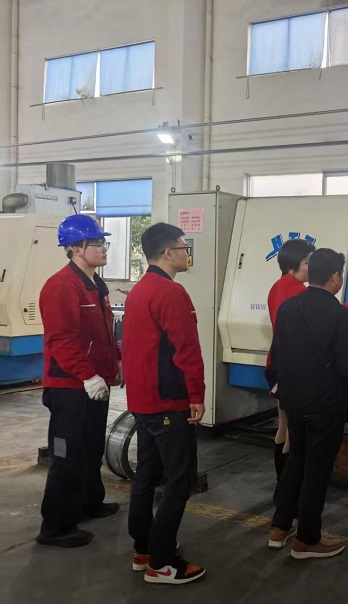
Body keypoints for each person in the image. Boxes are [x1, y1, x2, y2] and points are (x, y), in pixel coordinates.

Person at [122, 222, 206, 585]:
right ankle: (162, 562)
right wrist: (196, 395)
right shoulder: (171, 292)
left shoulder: (139, 290)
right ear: (168, 252)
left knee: (147, 474)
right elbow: (186, 349)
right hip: (168, 401)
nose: (188, 254)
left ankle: (143, 548)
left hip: (143, 400)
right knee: (179, 481)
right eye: (185, 248)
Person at [269, 248, 348, 559]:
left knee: (295, 460)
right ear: (336, 277)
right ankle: (307, 540)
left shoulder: (288, 308)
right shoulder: (340, 315)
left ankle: (280, 527)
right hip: (325, 405)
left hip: (294, 401)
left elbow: (278, 356)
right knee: (317, 471)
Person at [36, 215, 122, 548]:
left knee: (90, 448)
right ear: (75, 248)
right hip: (69, 388)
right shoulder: (60, 286)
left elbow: (102, 334)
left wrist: (115, 364)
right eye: (96, 243)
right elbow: (62, 341)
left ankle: (88, 503)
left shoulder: (95, 285)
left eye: (103, 242)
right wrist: (87, 375)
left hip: (95, 384)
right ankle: (56, 525)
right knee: (67, 454)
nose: (103, 248)